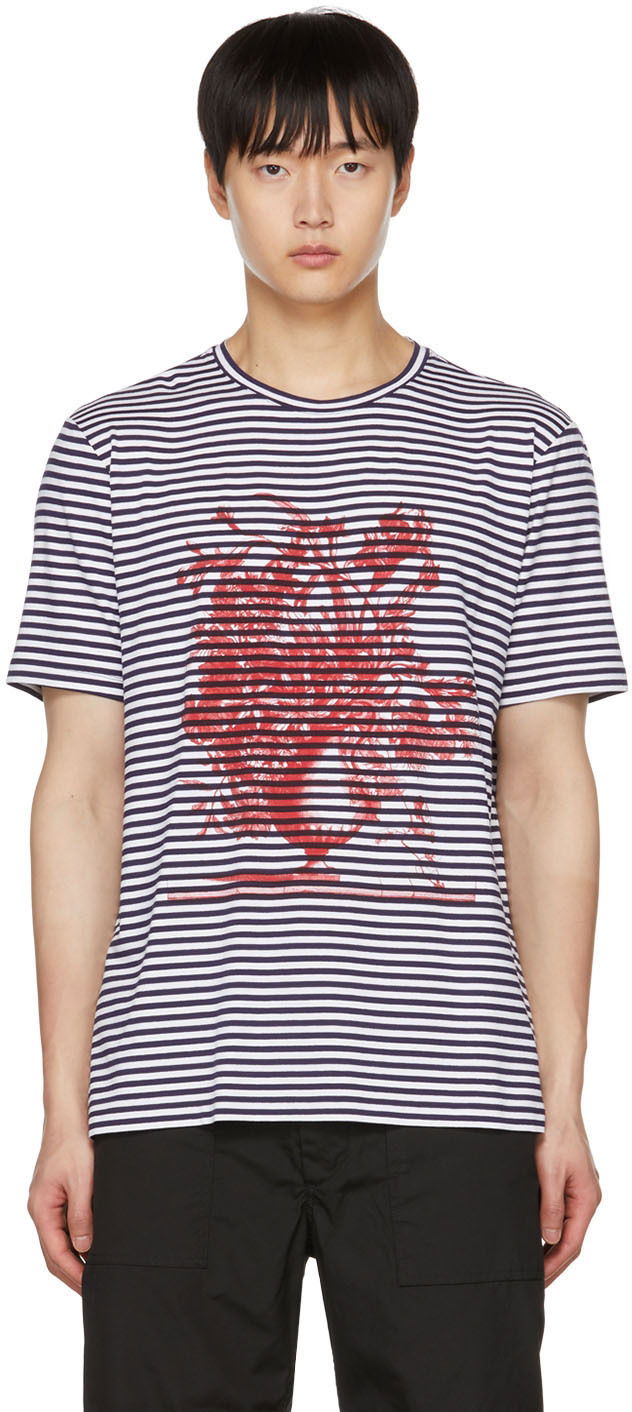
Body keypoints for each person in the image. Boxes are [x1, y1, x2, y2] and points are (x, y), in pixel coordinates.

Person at [6, 9, 628, 1411]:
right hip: (174, 1085)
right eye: (274, 163)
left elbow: (545, 782)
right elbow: (81, 788)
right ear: (213, 179)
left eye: (350, 162)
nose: (312, 205)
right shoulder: (111, 446)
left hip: (452, 1087)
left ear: (405, 176)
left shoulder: (521, 443)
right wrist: (62, 1107)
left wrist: (563, 1097)